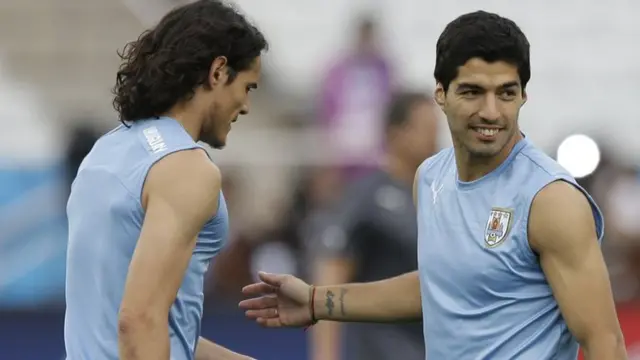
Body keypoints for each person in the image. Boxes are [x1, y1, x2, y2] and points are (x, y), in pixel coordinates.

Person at [239, 11, 627, 360]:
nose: (491, 111)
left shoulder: (551, 200)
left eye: (506, 93)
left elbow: (605, 344)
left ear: (523, 95)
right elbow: (442, 287)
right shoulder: (429, 178)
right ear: (441, 93)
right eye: (473, 91)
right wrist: (314, 300)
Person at [64, 1, 267, 359]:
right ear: (218, 71)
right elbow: (140, 322)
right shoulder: (188, 169)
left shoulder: (104, 151)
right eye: (248, 87)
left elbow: (145, 329)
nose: (246, 105)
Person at [308, 91, 438, 360]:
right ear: (395, 133)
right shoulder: (364, 197)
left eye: (435, 129)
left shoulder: (440, 197)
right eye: (425, 129)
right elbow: (329, 279)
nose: (433, 138)